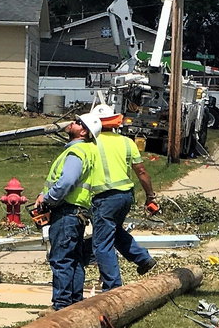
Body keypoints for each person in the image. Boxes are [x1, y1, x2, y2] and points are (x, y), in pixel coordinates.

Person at [35, 113, 101, 310]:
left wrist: (48, 199)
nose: (72, 122)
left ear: (84, 131)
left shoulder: (76, 151)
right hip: (77, 212)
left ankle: (61, 305)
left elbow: (67, 181)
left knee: (61, 259)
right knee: (74, 260)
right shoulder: (87, 150)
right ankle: (74, 303)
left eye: (78, 122)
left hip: (66, 211)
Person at [87, 104, 156, 287]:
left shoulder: (90, 143)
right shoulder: (127, 142)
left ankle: (113, 287)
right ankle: (142, 258)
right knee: (113, 231)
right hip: (125, 196)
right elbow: (141, 172)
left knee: (102, 245)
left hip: (104, 197)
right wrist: (150, 196)